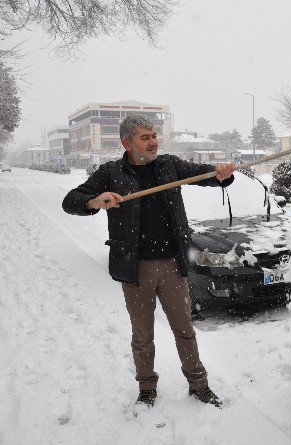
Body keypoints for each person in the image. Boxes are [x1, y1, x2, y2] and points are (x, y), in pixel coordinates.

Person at [63, 115, 235, 408]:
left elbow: (204, 174)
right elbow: (71, 200)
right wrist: (95, 200)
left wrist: (221, 173)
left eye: (154, 135)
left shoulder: (169, 165)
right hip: (135, 268)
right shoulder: (110, 173)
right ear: (126, 143)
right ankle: (146, 389)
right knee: (142, 335)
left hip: (172, 266)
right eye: (145, 137)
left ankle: (199, 384)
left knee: (184, 329)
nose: (153, 142)